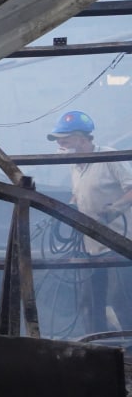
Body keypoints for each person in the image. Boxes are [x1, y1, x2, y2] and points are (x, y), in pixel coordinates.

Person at [48, 110, 132, 334]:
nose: (61, 145)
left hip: (120, 243)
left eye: (65, 141)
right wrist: (70, 207)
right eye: (59, 142)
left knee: (122, 299)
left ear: (82, 139)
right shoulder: (75, 165)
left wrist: (115, 208)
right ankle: (99, 343)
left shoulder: (108, 158)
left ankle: (129, 347)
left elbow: (131, 188)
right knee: (91, 300)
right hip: (91, 245)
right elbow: (79, 193)